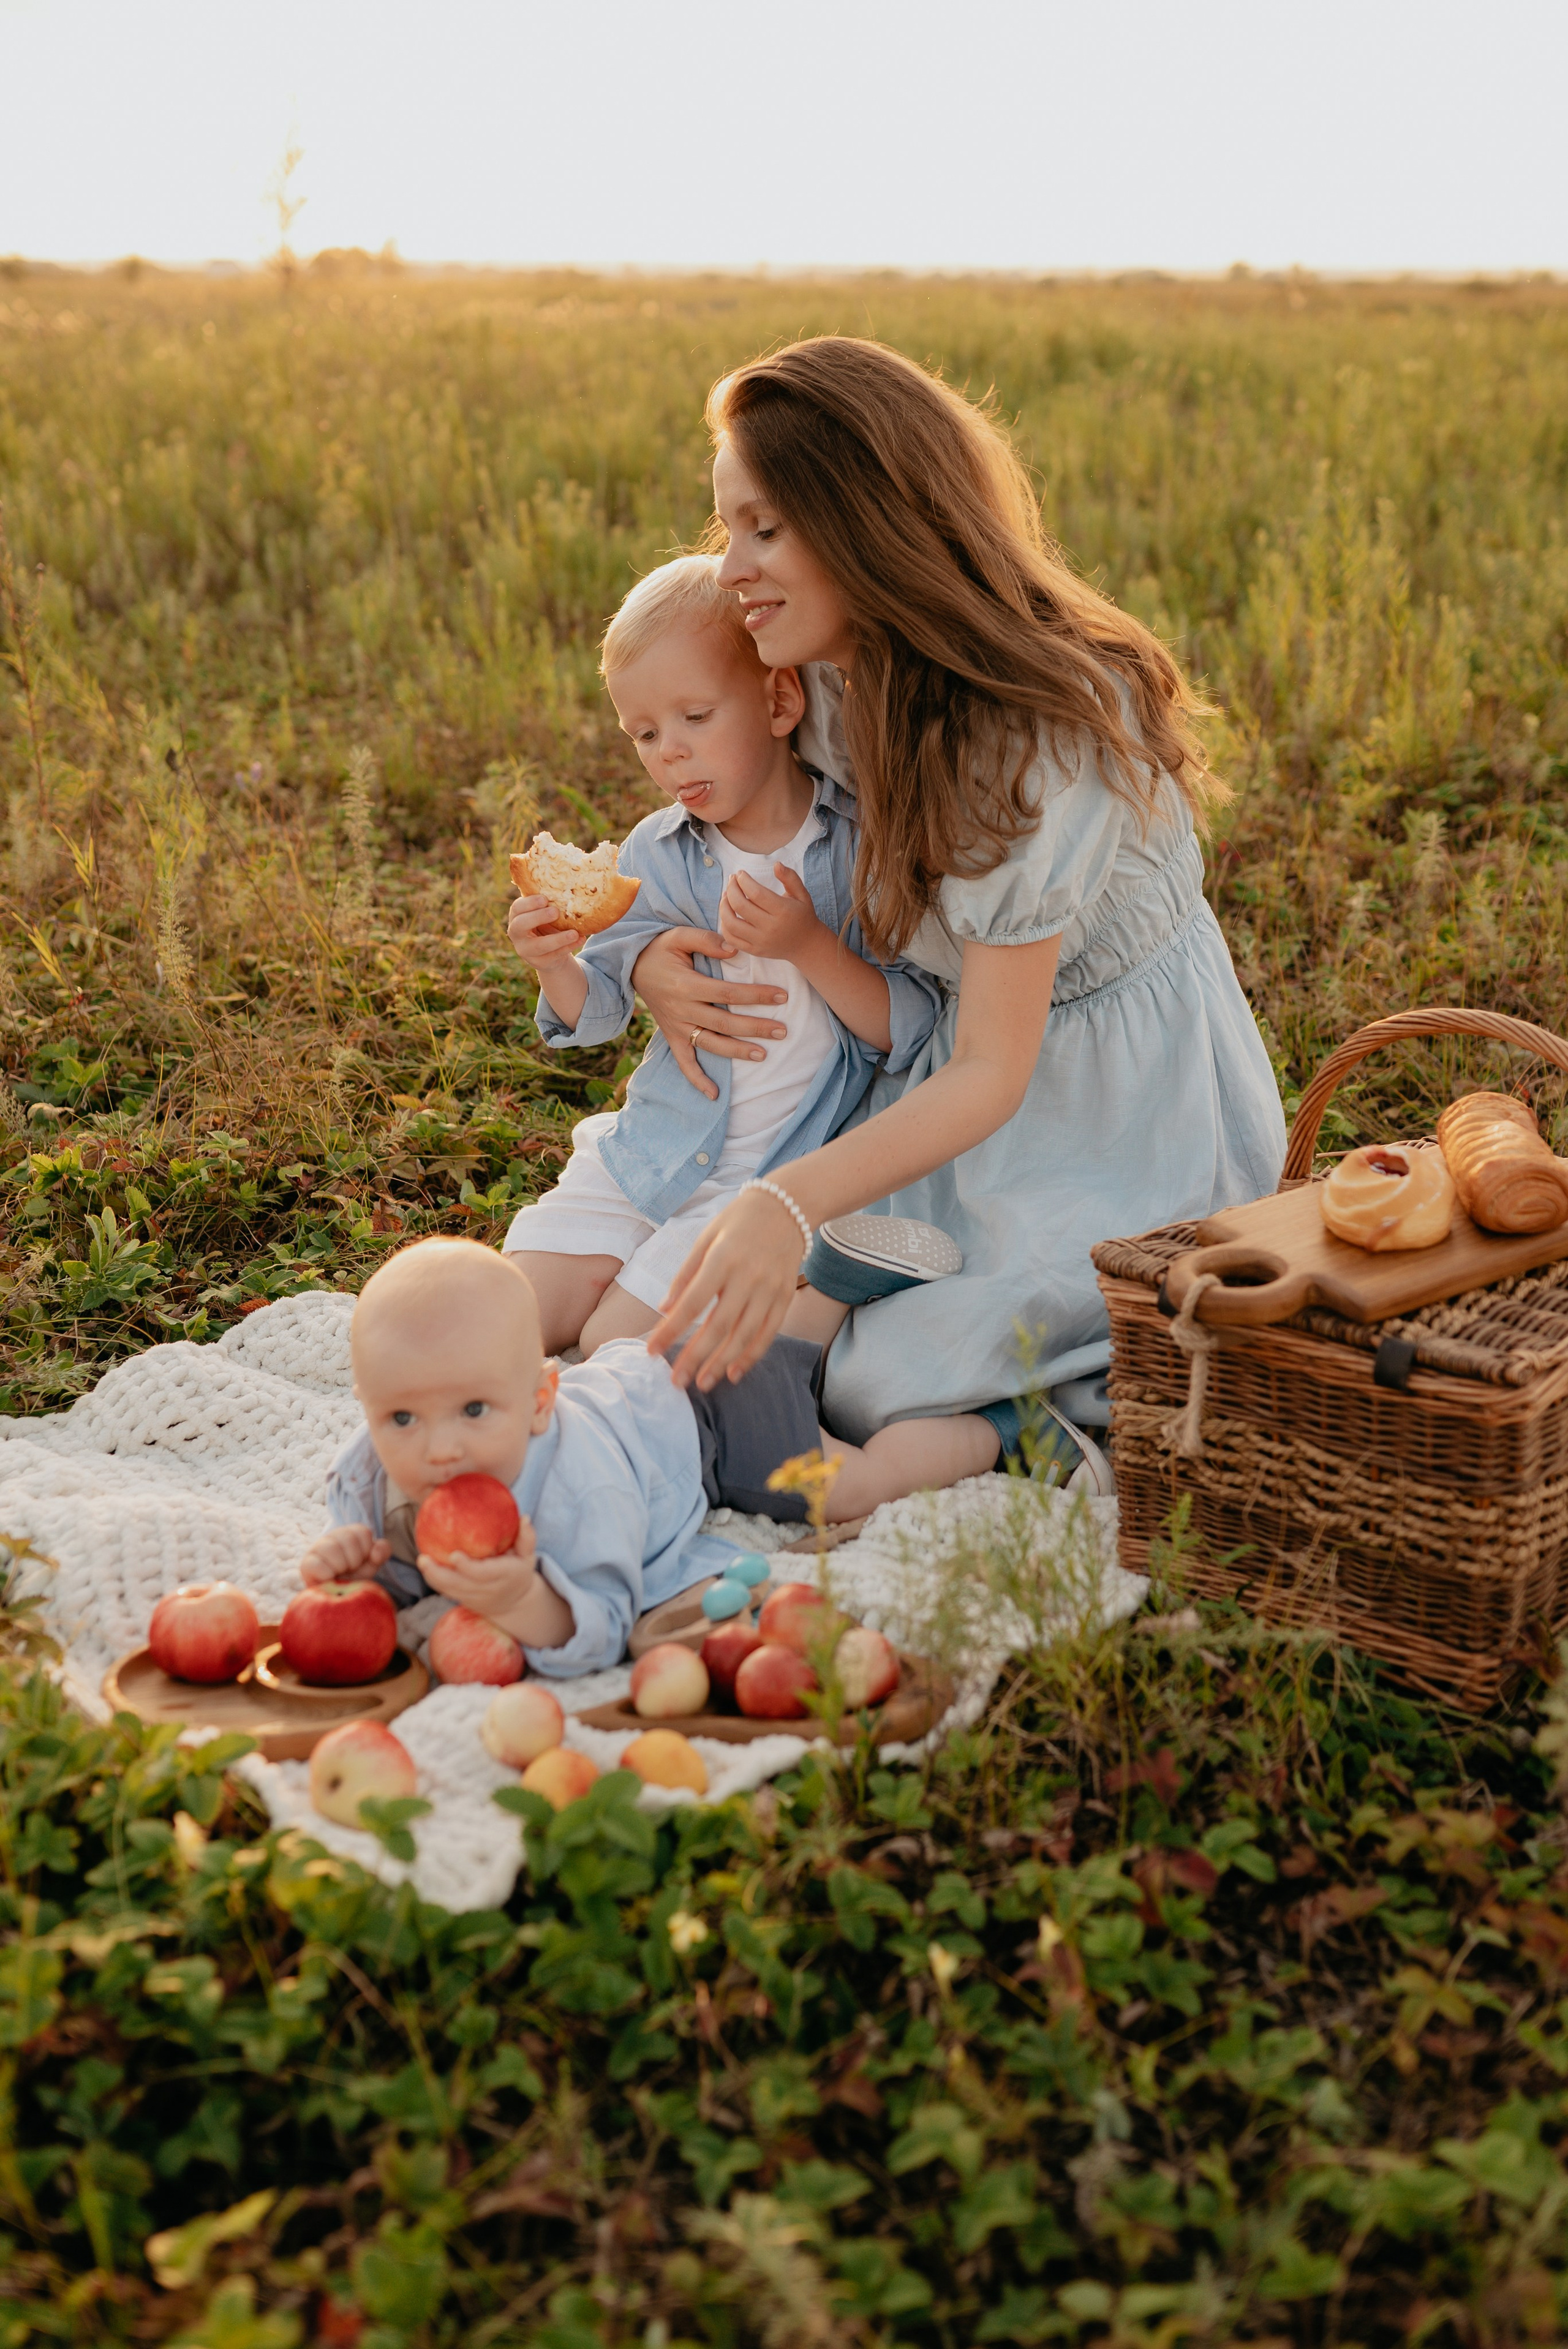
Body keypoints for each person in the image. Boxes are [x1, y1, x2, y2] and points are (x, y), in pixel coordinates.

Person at [631, 337, 1286, 1455]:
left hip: (1112, 1104)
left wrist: (785, 1201)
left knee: (896, 1375)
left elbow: (998, 1065)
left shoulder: (1036, 737)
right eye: (728, 526)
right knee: (760, 1335)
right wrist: (645, 958)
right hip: (935, 1063)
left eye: (766, 528)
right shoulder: (821, 673)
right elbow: (714, 814)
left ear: (868, 522)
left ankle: (1012, 1429)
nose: (731, 567)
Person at [502, 552, 961, 1374]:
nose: (669, 753)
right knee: (508, 1315)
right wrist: (555, 964)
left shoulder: (855, 848)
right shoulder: (660, 852)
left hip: (767, 1181)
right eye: (645, 733)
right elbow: (599, 1007)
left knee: (618, 1346)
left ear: (780, 700)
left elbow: (911, 1028)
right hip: (651, 1150)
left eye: (695, 717)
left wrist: (807, 944)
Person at [299, 1239, 1008, 1678]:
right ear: (370, 1406)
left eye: (475, 1410)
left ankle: (1004, 1426)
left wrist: (522, 1601)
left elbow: (605, 1626)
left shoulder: (581, 1492)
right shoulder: (377, 1468)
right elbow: (374, 1529)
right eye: (400, 1417)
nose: (439, 1448)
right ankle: (831, 1285)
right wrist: (351, 1565)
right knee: (770, 1356)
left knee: (855, 1483)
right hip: (643, 1377)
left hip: (706, 1421)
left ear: (542, 1399)